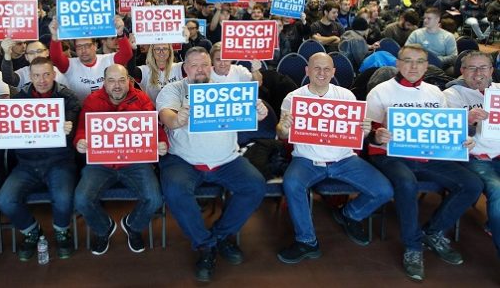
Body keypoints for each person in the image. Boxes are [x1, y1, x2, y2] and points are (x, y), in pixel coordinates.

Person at [365, 44, 483, 282]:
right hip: (389, 155)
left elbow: (447, 129)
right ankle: (413, 247)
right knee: (407, 183)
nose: (413, 66)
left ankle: (434, 231)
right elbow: (367, 131)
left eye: (419, 61)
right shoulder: (380, 91)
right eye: (407, 61)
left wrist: (464, 140)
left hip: (428, 155)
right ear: (397, 63)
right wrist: (376, 134)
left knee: (472, 184)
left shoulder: (435, 93)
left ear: (426, 65)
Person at [156, 46, 269, 282]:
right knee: (175, 190)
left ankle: (219, 235)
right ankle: (205, 245)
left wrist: (259, 111)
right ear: (185, 68)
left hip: (227, 160)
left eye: (204, 64)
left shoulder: (227, 91)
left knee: (256, 186)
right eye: (194, 65)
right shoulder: (173, 89)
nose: (200, 69)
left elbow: (254, 113)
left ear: (211, 67)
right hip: (183, 160)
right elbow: (166, 114)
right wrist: (176, 119)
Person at [275, 53, 393, 263]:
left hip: (344, 159)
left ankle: (350, 214)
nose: (322, 73)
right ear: (307, 71)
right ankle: (307, 241)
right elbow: (282, 134)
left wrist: (364, 131)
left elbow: (358, 133)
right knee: (292, 184)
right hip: (306, 159)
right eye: (317, 68)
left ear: (334, 72)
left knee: (384, 190)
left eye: (327, 69)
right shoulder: (293, 98)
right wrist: (283, 128)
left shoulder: (346, 96)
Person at [0, 57, 81, 261]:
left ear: (54, 75)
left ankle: (61, 230)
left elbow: (77, 129)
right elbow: (7, 133)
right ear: (30, 77)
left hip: (59, 162)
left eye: (46, 74)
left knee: (64, 198)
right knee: (5, 200)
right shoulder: (18, 101)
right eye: (37, 75)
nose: (42, 80)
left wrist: (70, 126)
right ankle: (32, 231)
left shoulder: (69, 98)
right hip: (26, 164)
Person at [74, 64, 166, 255]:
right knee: (82, 199)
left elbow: (155, 127)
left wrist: (162, 142)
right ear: (104, 83)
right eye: (112, 80)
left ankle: (132, 225)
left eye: (121, 80)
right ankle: (103, 228)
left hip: (134, 162)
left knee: (154, 199)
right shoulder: (92, 100)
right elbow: (82, 128)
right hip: (101, 163)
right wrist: (80, 141)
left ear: (129, 81)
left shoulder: (141, 99)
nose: (117, 85)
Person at [443, 51, 500, 257]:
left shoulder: (499, 91)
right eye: (471, 68)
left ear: (491, 71)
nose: (478, 73)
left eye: (483, 68)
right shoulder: (451, 96)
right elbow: (447, 135)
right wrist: (466, 121)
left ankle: (493, 223)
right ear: (462, 71)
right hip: (476, 158)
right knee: (499, 192)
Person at [48, 20, 133, 100]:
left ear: (95, 45)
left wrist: (120, 33)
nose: (83, 50)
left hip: (106, 110)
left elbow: (127, 53)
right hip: (79, 111)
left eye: (87, 45)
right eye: (79, 47)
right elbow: (56, 57)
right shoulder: (70, 65)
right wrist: (55, 37)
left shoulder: (108, 60)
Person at [0, 39, 66, 92]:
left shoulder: (59, 72)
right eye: (31, 53)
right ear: (26, 57)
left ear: (47, 53)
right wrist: (7, 54)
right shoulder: (23, 73)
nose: (36, 55)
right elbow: (8, 79)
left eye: (39, 51)